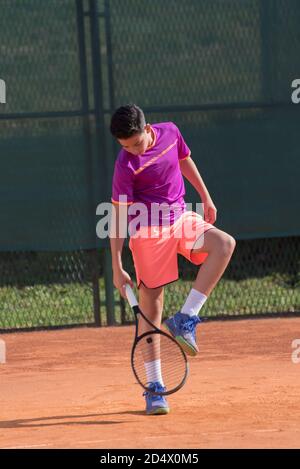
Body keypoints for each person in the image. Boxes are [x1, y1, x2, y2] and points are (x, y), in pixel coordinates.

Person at [109, 104, 236, 415]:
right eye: (125, 146)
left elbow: (184, 160)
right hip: (148, 231)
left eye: (136, 143)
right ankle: (154, 388)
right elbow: (118, 215)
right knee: (151, 307)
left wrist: (205, 196)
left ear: (147, 128)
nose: (132, 150)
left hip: (180, 219)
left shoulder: (170, 132)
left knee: (223, 245)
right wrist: (116, 264)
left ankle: (186, 318)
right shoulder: (126, 165)